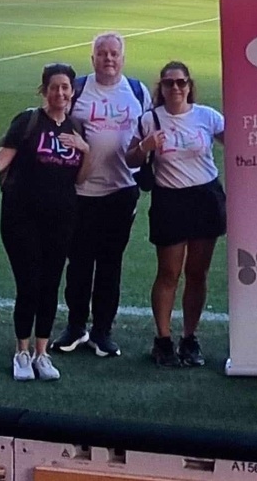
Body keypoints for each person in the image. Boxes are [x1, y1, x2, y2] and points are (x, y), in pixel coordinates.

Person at [0, 63, 91, 382]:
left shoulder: (77, 127)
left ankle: (42, 353)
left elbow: (81, 177)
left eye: (66, 87)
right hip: (21, 217)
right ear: (44, 90)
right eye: (54, 87)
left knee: (51, 284)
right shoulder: (28, 121)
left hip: (62, 218)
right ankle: (21, 352)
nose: (61, 93)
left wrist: (85, 150)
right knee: (29, 284)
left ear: (72, 91)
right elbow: (1, 158)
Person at [52, 32, 151, 358]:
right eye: (102, 53)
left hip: (122, 192)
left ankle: (102, 331)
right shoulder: (77, 89)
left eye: (114, 54)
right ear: (92, 58)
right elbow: (53, 126)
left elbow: (150, 134)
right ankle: (75, 327)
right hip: (80, 192)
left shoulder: (137, 92)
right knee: (78, 263)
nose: (108, 59)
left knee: (110, 265)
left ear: (123, 58)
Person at [125, 61, 226, 368]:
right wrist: (145, 145)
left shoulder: (207, 116)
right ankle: (163, 339)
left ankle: (190, 337)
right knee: (169, 273)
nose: (176, 88)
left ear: (189, 85)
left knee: (198, 273)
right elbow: (129, 157)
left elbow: (237, 144)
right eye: (169, 83)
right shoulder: (150, 119)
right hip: (170, 199)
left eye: (181, 82)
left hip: (205, 196)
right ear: (162, 87)